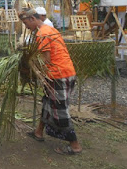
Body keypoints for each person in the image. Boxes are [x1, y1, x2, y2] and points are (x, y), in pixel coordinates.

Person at [19, 8, 82, 155]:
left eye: (26, 23)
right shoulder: (49, 28)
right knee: (48, 103)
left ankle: (75, 145)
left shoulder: (43, 33)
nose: (26, 26)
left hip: (59, 75)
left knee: (60, 110)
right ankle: (39, 132)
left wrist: (31, 66)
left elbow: (46, 60)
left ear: (33, 19)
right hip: (62, 73)